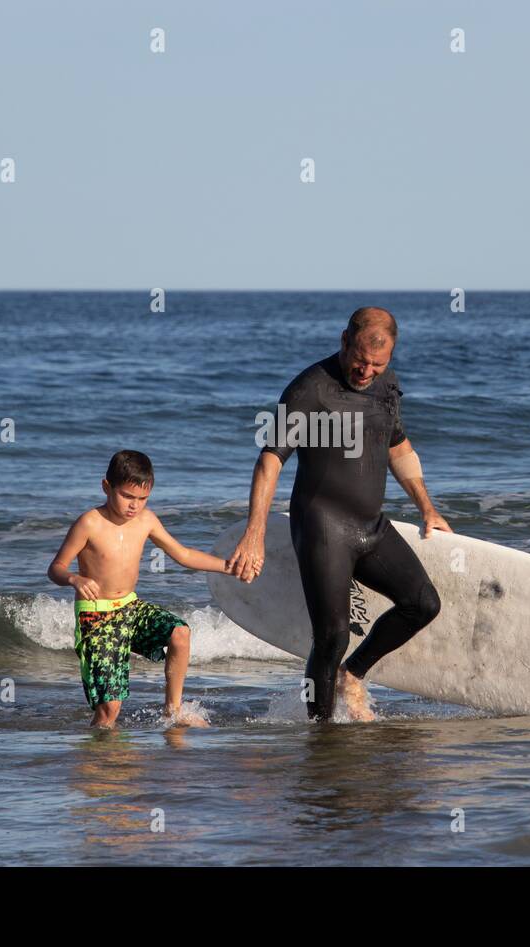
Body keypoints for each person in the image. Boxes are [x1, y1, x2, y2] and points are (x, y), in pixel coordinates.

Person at [227, 307, 451, 721]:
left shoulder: (387, 384)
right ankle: (323, 732)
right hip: (322, 527)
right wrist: (254, 532)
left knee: (423, 604)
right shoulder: (311, 389)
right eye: (360, 361)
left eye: (377, 365)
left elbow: (398, 447)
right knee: (331, 637)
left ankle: (354, 674)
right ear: (344, 340)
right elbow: (270, 460)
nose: (366, 371)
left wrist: (427, 508)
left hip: (370, 526)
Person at [47, 449, 235, 728]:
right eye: (127, 496)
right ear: (106, 487)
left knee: (179, 633)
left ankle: (173, 711)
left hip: (130, 607)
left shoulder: (146, 520)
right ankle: (99, 760)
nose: (135, 505)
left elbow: (182, 555)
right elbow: (56, 568)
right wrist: (74, 579)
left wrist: (228, 566)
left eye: (142, 498)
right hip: (97, 618)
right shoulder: (90, 523)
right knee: (109, 711)